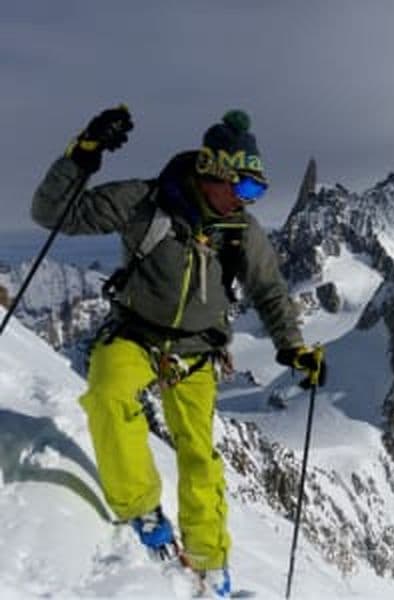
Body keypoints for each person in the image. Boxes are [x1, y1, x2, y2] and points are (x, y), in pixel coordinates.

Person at [31, 106, 326, 598]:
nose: (248, 201)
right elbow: (53, 213)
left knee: (199, 458)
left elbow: (270, 292)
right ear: (214, 172)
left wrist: (293, 349)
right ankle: (141, 510)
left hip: (196, 351)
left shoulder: (241, 231)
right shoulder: (144, 203)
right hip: (134, 335)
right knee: (108, 396)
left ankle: (211, 564)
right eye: (246, 188)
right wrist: (83, 154)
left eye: (256, 191)